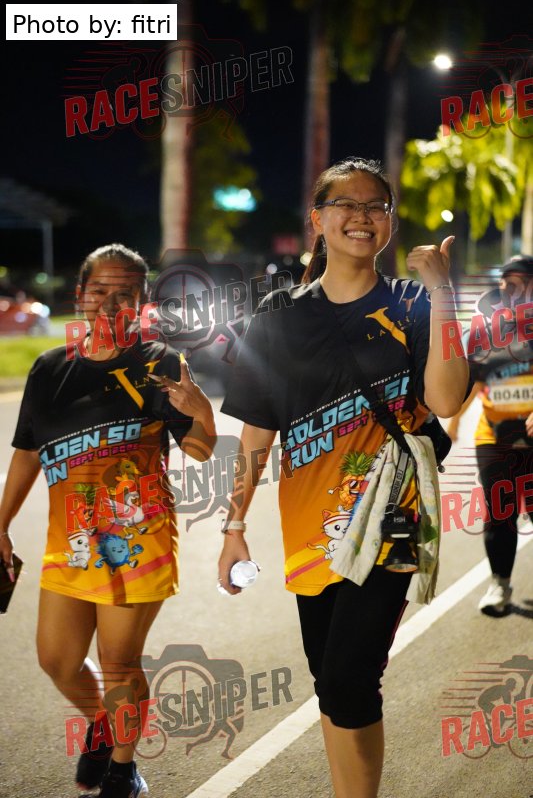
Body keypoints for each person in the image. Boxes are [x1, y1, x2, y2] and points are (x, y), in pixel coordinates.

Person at [217, 157, 469, 798]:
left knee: (350, 679)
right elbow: (256, 431)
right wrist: (233, 525)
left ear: (389, 221)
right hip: (310, 527)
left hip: (393, 518)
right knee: (331, 683)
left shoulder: (412, 303)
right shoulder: (279, 314)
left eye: (375, 205)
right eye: (345, 204)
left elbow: (445, 399)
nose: (361, 215)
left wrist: (443, 293)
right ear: (318, 219)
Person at [0, 244, 217, 798]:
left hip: (138, 539)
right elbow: (27, 452)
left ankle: (123, 769)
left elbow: (199, 450)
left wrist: (202, 414)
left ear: (142, 303)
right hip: (70, 540)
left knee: (118, 661)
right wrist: (0, 524)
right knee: (57, 659)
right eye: (100, 290)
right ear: (81, 295)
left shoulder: (160, 364)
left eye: (126, 294)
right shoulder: (50, 370)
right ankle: (106, 724)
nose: (110, 303)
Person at [447, 254, 533, 616]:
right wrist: (454, 419)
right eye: (504, 281)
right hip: (493, 435)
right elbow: (474, 379)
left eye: (517, 280)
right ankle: (500, 584)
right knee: (500, 510)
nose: (507, 287)